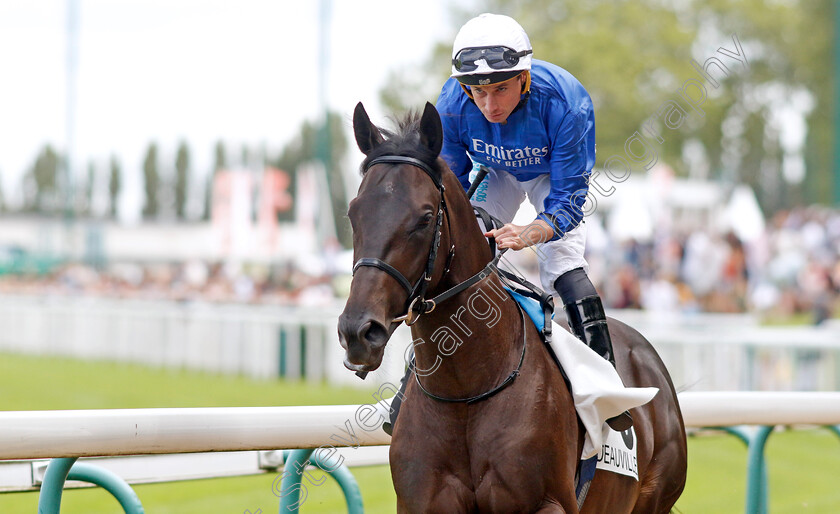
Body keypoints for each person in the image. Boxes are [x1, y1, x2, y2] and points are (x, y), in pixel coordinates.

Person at [384, 13, 631, 435]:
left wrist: (529, 232)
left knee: (563, 269)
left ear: (525, 78)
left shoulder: (568, 102)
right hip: (493, 172)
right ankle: (410, 386)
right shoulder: (450, 104)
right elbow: (452, 187)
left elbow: (568, 201)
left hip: (553, 179)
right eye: (478, 93)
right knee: (459, 259)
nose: (490, 105)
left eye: (500, 89)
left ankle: (606, 386)